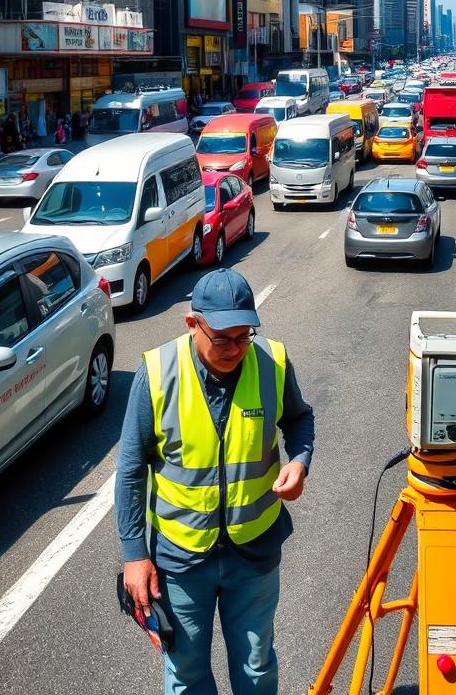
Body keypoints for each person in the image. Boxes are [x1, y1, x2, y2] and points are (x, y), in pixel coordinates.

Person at [117, 269, 314, 695]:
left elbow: (299, 420)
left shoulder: (272, 362)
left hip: (255, 553)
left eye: (244, 337)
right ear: (192, 324)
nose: (235, 349)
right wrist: (134, 554)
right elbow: (131, 468)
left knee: (257, 670)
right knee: (186, 675)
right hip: (183, 560)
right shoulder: (155, 372)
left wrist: (299, 462)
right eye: (222, 338)